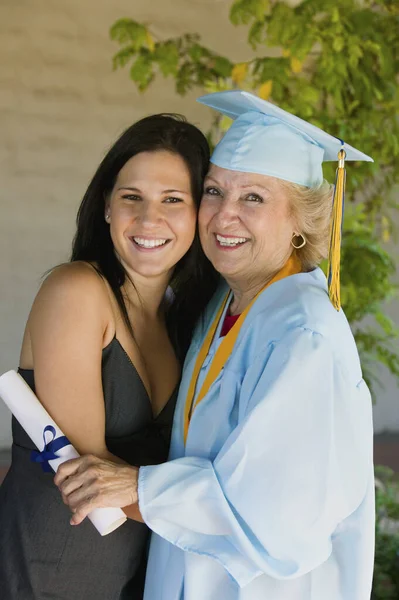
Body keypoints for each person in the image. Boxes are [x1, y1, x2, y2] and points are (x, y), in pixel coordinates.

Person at [55, 91, 375, 600]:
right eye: (213, 191)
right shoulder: (223, 309)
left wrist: (138, 487)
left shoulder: (304, 335)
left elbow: (281, 511)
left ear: (300, 221)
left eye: (254, 198)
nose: (224, 216)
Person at [0, 114, 219, 600]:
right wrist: (227, 515)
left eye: (173, 200)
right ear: (105, 206)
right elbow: (94, 479)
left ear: (199, 214)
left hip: (130, 577)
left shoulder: (183, 323)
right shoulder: (77, 291)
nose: (148, 220)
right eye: (131, 197)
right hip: (47, 571)